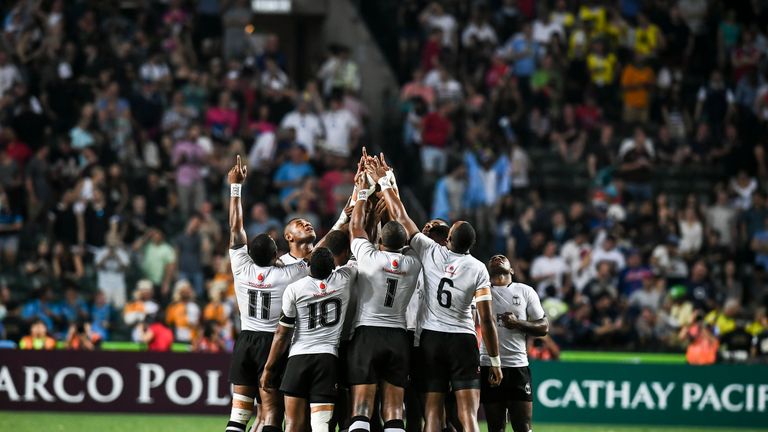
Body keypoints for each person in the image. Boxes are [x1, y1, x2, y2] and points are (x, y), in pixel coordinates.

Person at [371, 153, 502, 432]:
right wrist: (494, 360)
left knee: (432, 415)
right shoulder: (479, 269)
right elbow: (487, 320)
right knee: (468, 416)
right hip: (464, 340)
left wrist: (386, 180)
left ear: (449, 239)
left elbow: (401, 215)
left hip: (431, 339)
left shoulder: (431, 252)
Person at [225, 155, 309, 432]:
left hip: (245, 339)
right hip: (272, 344)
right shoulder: (287, 274)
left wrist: (235, 188)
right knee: (272, 411)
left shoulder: (241, 267)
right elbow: (315, 251)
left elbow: (236, 229)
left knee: (239, 415)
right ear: (277, 255)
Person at [346, 170, 422, 432]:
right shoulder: (414, 262)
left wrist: (362, 191)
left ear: (378, 240)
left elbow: (355, 227)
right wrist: (389, 183)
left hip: (367, 334)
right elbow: (405, 221)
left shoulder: (369, 257)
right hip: (398, 337)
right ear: (405, 243)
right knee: (393, 412)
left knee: (361, 411)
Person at [260, 247, 358, 432]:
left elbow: (282, 334)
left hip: (298, 359)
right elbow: (355, 257)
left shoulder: (294, 289)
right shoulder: (344, 279)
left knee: (293, 425)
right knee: (320, 426)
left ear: (309, 266)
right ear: (333, 267)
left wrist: (268, 368)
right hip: (327, 359)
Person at [481, 255, 547, 432]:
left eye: (502, 258)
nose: (497, 258)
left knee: (523, 427)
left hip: (518, 367)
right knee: (495, 427)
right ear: (488, 271)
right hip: (489, 364)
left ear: (512, 270)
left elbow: (544, 327)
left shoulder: (525, 291)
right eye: (493, 258)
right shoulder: (482, 290)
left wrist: (518, 323)